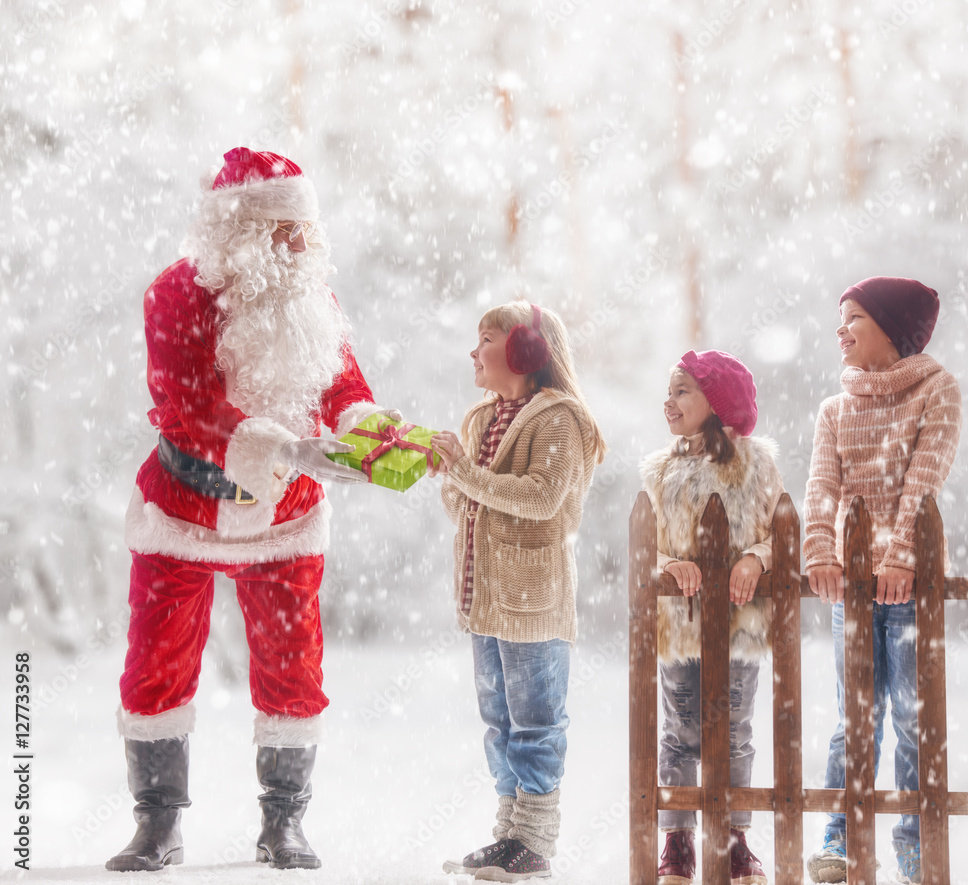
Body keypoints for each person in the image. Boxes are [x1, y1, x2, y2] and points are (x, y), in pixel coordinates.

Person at [107, 147, 397, 872]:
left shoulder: (310, 296)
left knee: (293, 666)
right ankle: (157, 822)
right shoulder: (175, 294)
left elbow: (342, 382)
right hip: (185, 510)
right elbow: (188, 408)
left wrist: (372, 432)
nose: (302, 246)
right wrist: (283, 448)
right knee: (156, 664)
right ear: (242, 232)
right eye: (285, 231)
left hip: (286, 518)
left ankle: (283, 821)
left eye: (306, 231)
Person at [429, 302, 607, 881]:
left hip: (533, 598)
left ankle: (533, 839)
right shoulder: (482, 418)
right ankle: (507, 831)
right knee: (498, 718)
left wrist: (466, 476)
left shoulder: (559, 419)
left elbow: (541, 498)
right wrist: (451, 478)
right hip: (483, 596)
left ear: (526, 351)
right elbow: (464, 504)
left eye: (485, 338)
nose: (473, 351)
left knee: (535, 718)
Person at [803, 277, 962, 885]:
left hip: (909, 585)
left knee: (911, 718)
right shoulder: (835, 409)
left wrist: (901, 558)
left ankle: (913, 843)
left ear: (892, 329)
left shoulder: (936, 390)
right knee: (854, 717)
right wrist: (819, 547)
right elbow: (821, 487)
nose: (840, 331)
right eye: (839, 319)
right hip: (852, 585)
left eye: (855, 318)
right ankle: (839, 838)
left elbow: (925, 478)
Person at [639, 350, 780, 885]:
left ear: (715, 403)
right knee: (678, 732)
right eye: (669, 391)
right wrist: (669, 564)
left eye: (682, 391)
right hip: (681, 625)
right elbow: (643, 549)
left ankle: (735, 838)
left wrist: (755, 558)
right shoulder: (662, 471)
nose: (669, 401)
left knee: (735, 730)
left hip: (739, 626)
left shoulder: (756, 465)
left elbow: (777, 534)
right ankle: (677, 844)